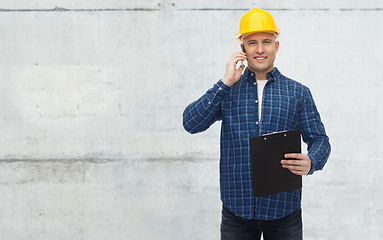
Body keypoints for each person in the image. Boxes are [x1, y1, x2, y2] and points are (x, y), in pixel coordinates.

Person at [183, 8, 330, 240]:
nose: (260, 49)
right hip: (236, 212)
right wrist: (224, 83)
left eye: (266, 42)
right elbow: (191, 123)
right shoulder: (228, 90)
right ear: (242, 48)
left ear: (276, 46)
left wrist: (312, 161)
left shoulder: (298, 93)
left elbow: (320, 140)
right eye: (252, 43)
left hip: (284, 211)